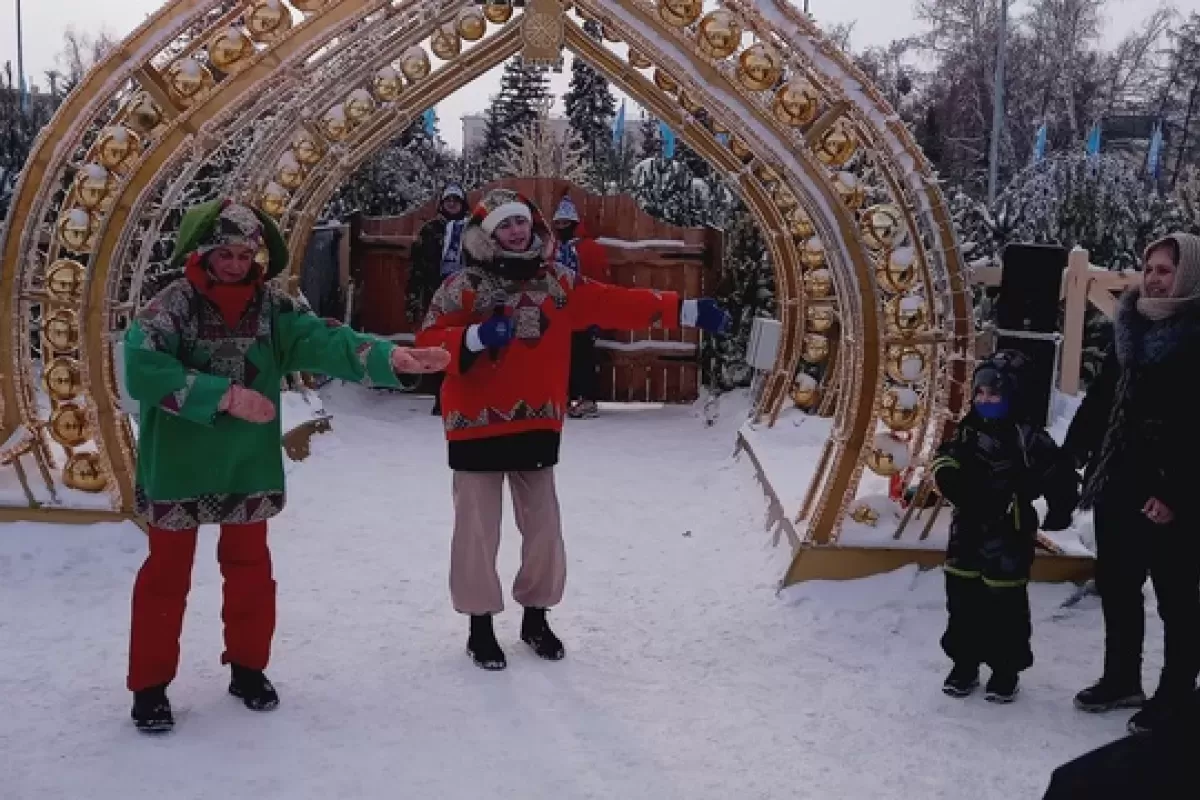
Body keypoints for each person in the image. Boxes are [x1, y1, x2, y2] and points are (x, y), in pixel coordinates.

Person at [123, 200, 449, 733]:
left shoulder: (273, 309)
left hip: (246, 463)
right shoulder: (171, 307)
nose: (234, 264)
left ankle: (249, 668)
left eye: (244, 254)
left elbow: (324, 340)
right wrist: (224, 396)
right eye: (224, 253)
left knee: (251, 570)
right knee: (165, 576)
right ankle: (150, 686)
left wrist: (390, 359)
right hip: (178, 463)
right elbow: (142, 369)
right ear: (205, 252)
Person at [416, 189, 730, 671]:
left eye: (522, 222)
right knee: (477, 530)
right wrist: (475, 337)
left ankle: (535, 616)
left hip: (537, 422)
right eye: (506, 225)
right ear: (487, 234)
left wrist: (683, 311)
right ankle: (480, 625)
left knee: (543, 528)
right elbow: (428, 342)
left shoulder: (559, 283)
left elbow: (615, 303)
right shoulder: (461, 287)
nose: (517, 232)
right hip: (474, 426)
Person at [1063, 233, 1200, 735]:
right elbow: (1101, 398)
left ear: (1185, 275)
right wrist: (1073, 451)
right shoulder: (1130, 324)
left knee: (1176, 596)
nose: (1153, 277)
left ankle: (1177, 692)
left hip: (1172, 489)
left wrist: (1177, 495)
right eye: (1149, 267)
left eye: (1164, 270)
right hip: (1120, 477)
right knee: (1119, 585)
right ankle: (1122, 677)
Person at [931, 350, 1078, 703]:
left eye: (994, 394)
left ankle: (1004, 668)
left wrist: (1060, 507)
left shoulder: (1028, 436)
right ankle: (964, 663)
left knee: (1004, 603)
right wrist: (949, 477)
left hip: (1008, 532)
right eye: (980, 394)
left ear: (1013, 395)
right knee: (962, 599)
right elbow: (945, 455)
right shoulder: (968, 429)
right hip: (966, 530)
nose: (985, 400)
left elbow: (1059, 472)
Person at [409, 183, 469, 415]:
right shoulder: (430, 230)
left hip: (466, 295)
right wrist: (414, 299)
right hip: (436, 294)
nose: (452, 204)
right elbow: (416, 267)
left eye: (456, 200)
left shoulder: (473, 229)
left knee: (463, 344)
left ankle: (462, 395)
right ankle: (440, 397)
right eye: (448, 200)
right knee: (437, 344)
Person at [551, 194, 612, 419]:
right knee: (559, 357)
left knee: (584, 356)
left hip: (583, 311)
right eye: (557, 223)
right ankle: (564, 397)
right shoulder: (553, 248)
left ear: (574, 224)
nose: (561, 227)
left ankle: (587, 399)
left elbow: (600, 280)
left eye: (565, 223)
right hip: (558, 312)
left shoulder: (589, 249)